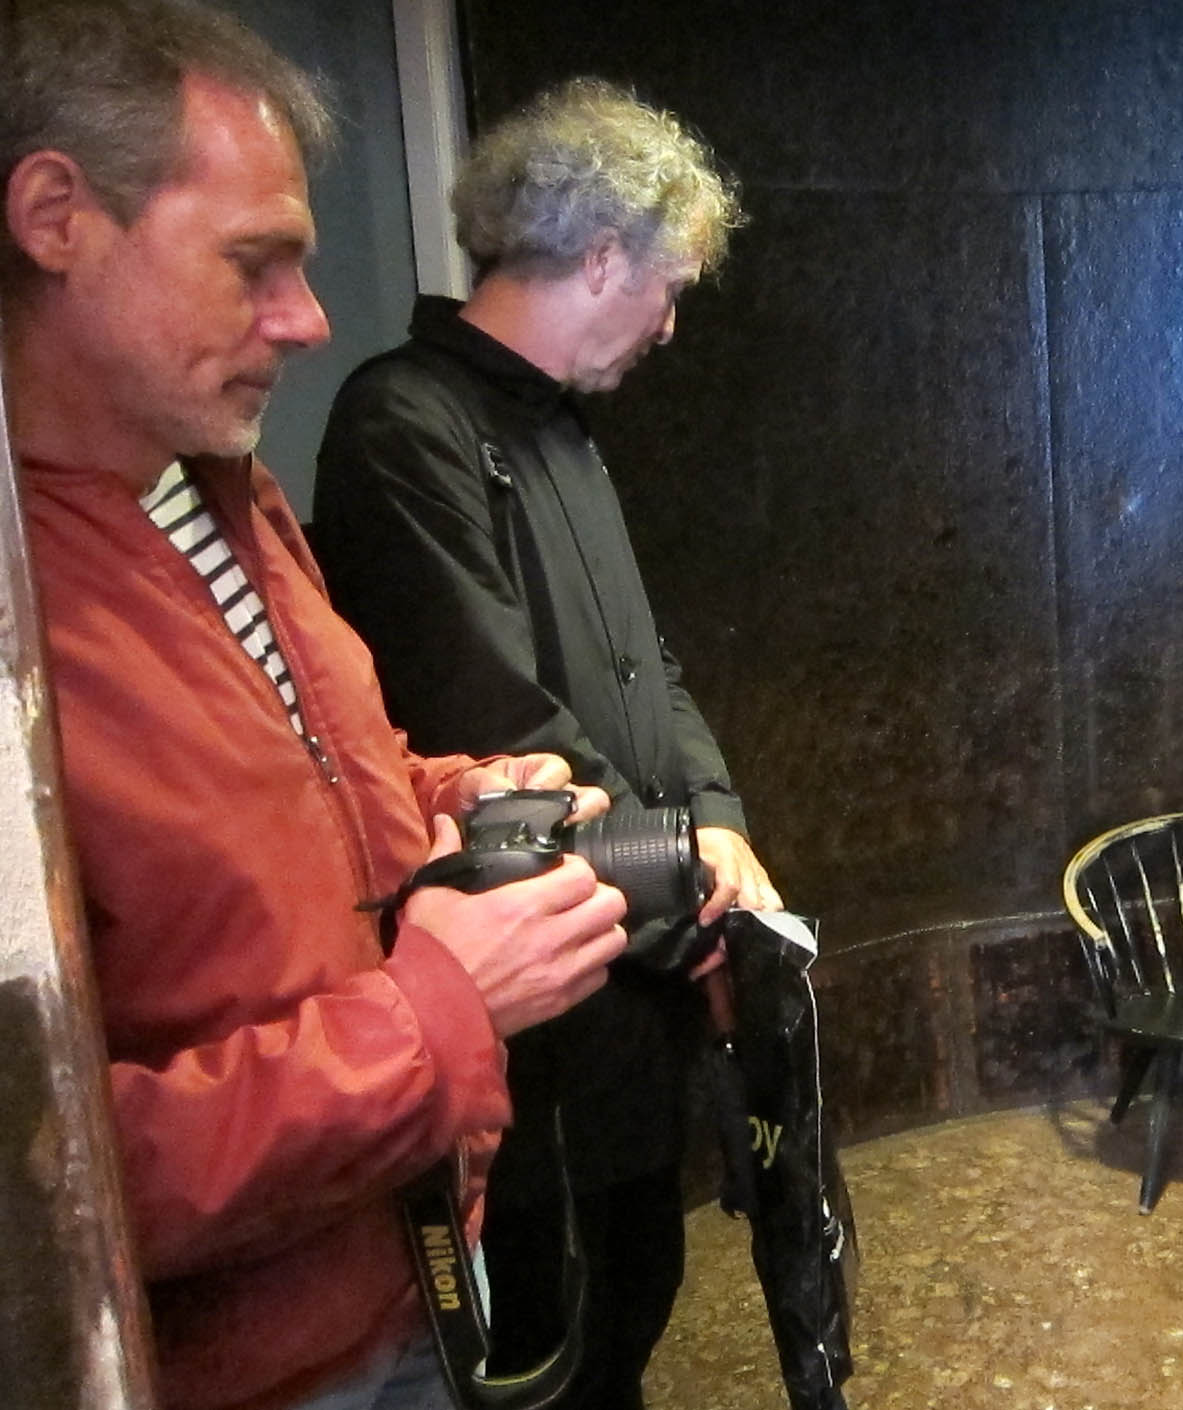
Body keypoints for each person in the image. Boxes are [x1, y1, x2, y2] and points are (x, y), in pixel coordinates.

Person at [0, 4, 634, 1407]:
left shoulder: (218, 489)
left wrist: (453, 796)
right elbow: (52, 1185)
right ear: (55, 218)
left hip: (410, 1269)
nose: (308, 317)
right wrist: (440, 1007)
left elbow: (315, 778)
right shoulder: (17, 616)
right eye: (254, 262)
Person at [312, 78, 781, 1409]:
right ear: (604, 256)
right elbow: (491, 710)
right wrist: (679, 880)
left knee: (633, 1284)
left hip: (629, 943)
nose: (671, 324)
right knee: (556, 1324)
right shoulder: (404, 423)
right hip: (538, 998)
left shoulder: (560, 427)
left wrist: (716, 821)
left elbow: (646, 662)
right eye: (670, 286)